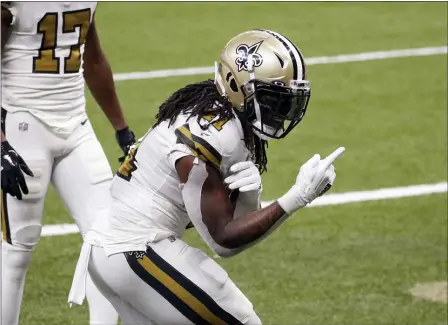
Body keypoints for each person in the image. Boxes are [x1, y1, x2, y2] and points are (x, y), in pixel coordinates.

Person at [69, 29, 345, 324]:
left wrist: (250, 195)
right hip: (135, 249)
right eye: (273, 99)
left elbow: (237, 225)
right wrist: (297, 197)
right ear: (235, 84)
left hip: (114, 249)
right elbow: (224, 240)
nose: (281, 111)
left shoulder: (218, 113)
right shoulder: (214, 135)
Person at [1, 2, 135, 325]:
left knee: (108, 240)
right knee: (16, 251)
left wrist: (123, 131)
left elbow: (93, 59)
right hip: (22, 125)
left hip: (75, 125)